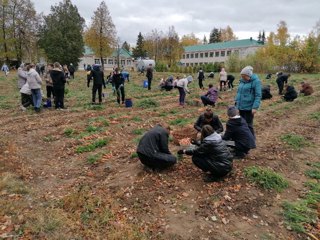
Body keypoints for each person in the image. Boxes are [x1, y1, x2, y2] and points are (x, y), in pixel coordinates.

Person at [235, 66, 261, 137]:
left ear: (249, 75)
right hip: (240, 106)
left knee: (248, 125)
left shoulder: (256, 81)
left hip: (249, 107)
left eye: (244, 76)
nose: (242, 77)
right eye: (242, 76)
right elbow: (238, 94)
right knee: (241, 123)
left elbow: (258, 95)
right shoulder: (241, 81)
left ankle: (251, 140)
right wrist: (236, 106)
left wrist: (255, 107)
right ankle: (244, 139)